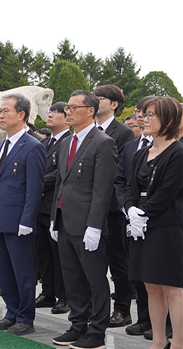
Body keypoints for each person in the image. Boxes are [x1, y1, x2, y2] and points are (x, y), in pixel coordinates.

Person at [50, 90, 117, 349]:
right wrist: (55, 218)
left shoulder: (103, 142)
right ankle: (77, 325)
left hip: (88, 224)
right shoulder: (67, 141)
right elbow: (60, 181)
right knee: (72, 278)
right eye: (67, 107)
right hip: (66, 220)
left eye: (73, 107)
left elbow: (103, 189)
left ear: (90, 110)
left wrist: (95, 226)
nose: (68, 111)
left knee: (95, 280)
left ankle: (97, 332)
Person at [0, 93, 45, 336]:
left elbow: (34, 188)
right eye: (0, 111)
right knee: (5, 270)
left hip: (18, 220)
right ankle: (11, 312)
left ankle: (25, 317)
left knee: (23, 271)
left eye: (6, 111)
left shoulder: (33, 146)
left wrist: (27, 220)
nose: (1, 115)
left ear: (22, 115)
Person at [124, 96, 183, 349]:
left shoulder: (177, 153)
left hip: (166, 226)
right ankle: (158, 341)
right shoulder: (142, 153)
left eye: (151, 115)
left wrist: (142, 213)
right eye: (143, 114)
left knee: (172, 287)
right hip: (140, 226)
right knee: (150, 285)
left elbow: (167, 192)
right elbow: (129, 188)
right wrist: (130, 210)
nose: (144, 119)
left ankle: (178, 342)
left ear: (169, 119)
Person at [94, 84, 135, 328]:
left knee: (117, 261)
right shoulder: (89, 131)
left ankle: (123, 309)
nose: (95, 101)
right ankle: (96, 308)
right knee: (93, 261)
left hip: (111, 208)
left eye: (100, 98)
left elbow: (118, 173)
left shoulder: (122, 133)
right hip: (89, 207)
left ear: (114, 104)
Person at [115, 96, 156, 337]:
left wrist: (146, 210)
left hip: (160, 219)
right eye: (139, 111)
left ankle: (167, 322)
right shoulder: (131, 146)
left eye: (147, 112)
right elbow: (120, 181)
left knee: (160, 274)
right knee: (137, 270)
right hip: (130, 218)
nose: (141, 116)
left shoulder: (173, 147)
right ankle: (144, 317)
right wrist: (128, 208)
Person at [35, 102, 71, 315]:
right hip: (40, 207)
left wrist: (36, 182)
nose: (50, 116)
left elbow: (60, 173)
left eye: (56, 113)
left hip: (56, 206)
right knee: (43, 253)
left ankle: (64, 296)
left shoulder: (69, 141)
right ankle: (48, 292)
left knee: (60, 255)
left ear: (67, 119)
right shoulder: (46, 142)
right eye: (49, 112)